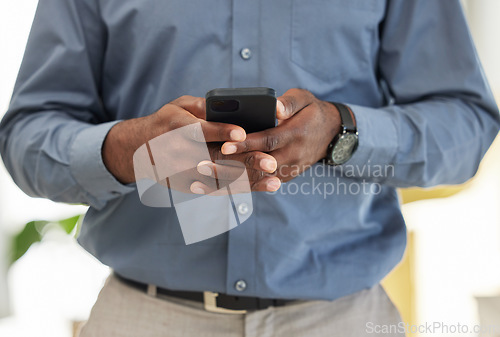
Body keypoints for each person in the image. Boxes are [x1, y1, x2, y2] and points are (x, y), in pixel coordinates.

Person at [0, 0, 499, 336]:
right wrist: (129, 149)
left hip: (342, 320)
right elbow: (26, 136)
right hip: (143, 318)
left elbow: (466, 125)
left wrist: (343, 130)